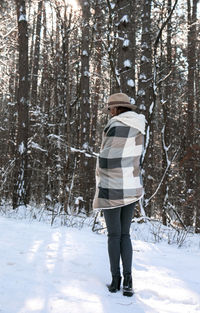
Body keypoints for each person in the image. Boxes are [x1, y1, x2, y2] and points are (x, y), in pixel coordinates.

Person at [93, 93, 145, 297]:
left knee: (114, 235)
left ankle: (116, 280)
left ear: (116, 109)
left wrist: (99, 166)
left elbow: (107, 159)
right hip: (131, 186)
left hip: (112, 187)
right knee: (125, 234)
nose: (109, 112)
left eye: (110, 109)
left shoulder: (115, 125)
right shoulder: (140, 125)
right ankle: (129, 281)